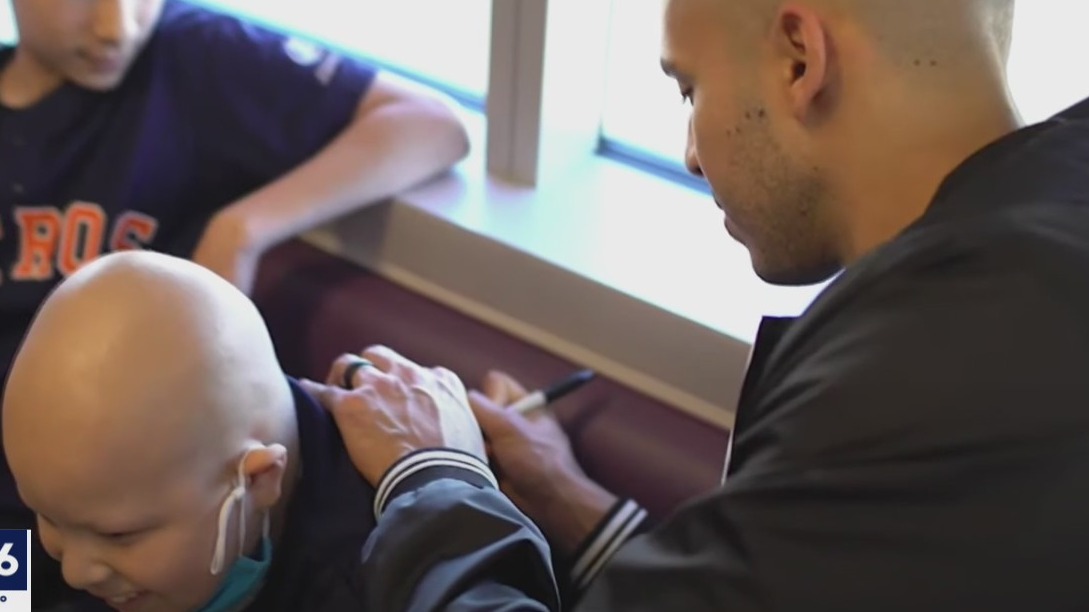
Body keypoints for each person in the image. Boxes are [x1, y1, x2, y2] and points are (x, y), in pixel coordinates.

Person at [301, 0, 1089, 609]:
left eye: (689, 88)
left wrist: (434, 475)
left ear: (798, 58)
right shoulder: (1030, 249)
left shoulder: (919, 380)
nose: (688, 154)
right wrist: (567, 497)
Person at [0, 0, 469, 603]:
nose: (115, 27)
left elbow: (433, 124)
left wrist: (240, 230)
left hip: (132, 513)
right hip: (30, 515)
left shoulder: (193, 59)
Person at [0, 250, 475, 610]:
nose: (76, 570)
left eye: (120, 536)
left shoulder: (374, 576)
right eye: (50, 519)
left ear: (259, 478)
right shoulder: (68, 478)